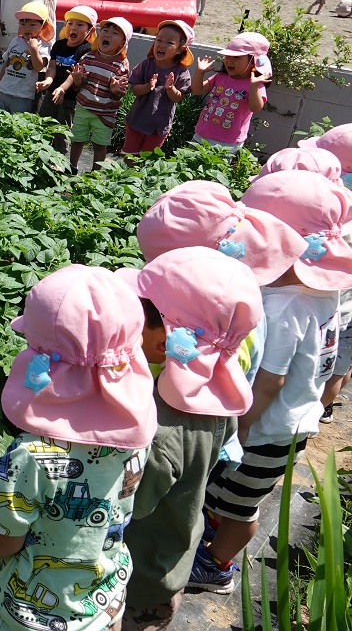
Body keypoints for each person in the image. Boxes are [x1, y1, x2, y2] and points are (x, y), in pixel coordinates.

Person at [0, 264, 155, 631]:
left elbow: (5, 542)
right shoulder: (134, 433)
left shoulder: (30, 457)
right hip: (105, 600)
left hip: (30, 616)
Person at [191, 171, 352, 594]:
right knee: (231, 497)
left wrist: (239, 430)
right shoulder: (323, 293)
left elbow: (270, 382)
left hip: (263, 430)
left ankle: (216, 566)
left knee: (241, 507)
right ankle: (213, 539)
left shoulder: (283, 307)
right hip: (292, 423)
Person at [119, 248, 266, 631]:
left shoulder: (158, 431)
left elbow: (125, 506)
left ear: (161, 341)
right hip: (174, 557)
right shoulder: (217, 393)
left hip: (138, 578)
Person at [297, 125, 352, 423]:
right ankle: (321, 409)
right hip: (344, 310)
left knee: (316, 362)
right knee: (340, 362)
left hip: (328, 308)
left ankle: (310, 407)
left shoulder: (330, 213)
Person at [63, 17, 132, 173]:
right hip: (83, 107)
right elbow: (79, 85)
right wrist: (78, 79)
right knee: (77, 139)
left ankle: (95, 176)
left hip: (105, 113)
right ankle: (72, 166)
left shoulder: (121, 64)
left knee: (100, 145)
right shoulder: (88, 57)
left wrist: (115, 89)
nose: (107, 34)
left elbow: (119, 94)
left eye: (115, 33)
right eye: (105, 30)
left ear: (122, 43)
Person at [121, 21, 194, 157]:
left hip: (159, 127)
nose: (161, 45)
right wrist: (148, 86)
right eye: (158, 40)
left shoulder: (181, 72)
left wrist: (171, 88)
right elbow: (135, 89)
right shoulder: (145, 65)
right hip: (137, 120)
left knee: (147, 159)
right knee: (129, 155)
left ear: (180, 49)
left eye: (169, 43)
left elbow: (178, 98)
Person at [191, 32, 271, 151]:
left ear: (253, 61)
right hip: (201, 135)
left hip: (227, 143)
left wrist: (253, 87)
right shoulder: (220, 77)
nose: (229, 61)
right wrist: (199, 72)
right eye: (228, 56)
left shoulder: (256, 84)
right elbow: (197, 90)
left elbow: (255, 108)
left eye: (236, 57)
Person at [39, 5, 96, 153]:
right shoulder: (59, 45)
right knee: (42, 125)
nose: (73, 28)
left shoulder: (86, 50)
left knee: (61, 130)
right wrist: (48, 81)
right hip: (51, 94)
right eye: (70, 23)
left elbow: (74, 74)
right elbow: (51, 66)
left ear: (90, 30)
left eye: (80, 25)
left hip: (69, 98)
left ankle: (59, 162)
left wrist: (62, 88)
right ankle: (39, 156)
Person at [0, 1, 51, 114]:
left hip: (23, 95)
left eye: (32, 24)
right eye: (23, 24)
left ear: (42, 26)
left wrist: (34, 49)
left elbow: (39, 67)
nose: (27, 28)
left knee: (18, 125)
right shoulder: (15, 41)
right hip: (4, 90)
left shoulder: (43, 45)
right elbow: (6, 64)